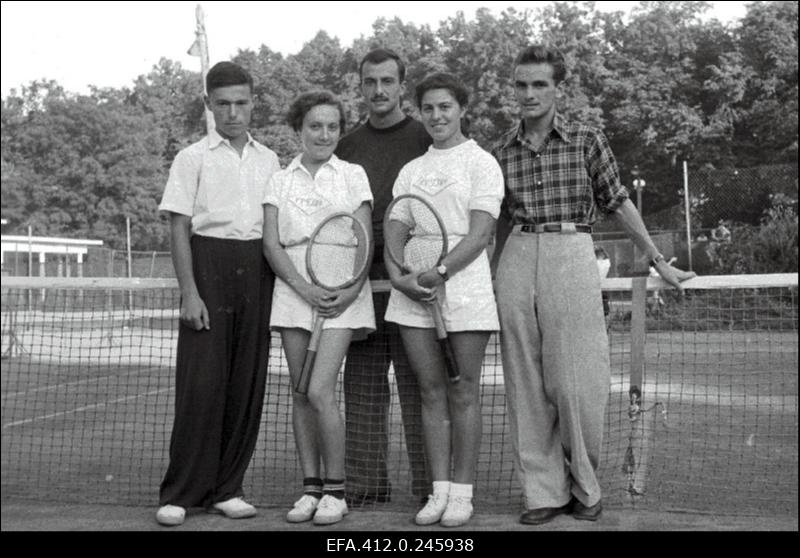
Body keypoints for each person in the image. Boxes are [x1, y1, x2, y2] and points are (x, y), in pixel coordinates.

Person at [491, 45, 696, 526]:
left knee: (578, 382)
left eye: (539, 84)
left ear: (558, 88)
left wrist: (658, 259)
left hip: (571, 253)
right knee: (525, 382)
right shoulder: (499, 150)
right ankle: (543, 493)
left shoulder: (586, 139)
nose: (529, 94)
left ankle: (586, 487)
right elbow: (495, 223)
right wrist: (492, 277)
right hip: (516, 258)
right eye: (521, 84)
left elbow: (619, 201)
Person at [155, 61, 280, 527]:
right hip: (208, 268)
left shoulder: (270, 160)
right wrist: (190, 292)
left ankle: (228, 488)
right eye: (223, 103)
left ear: (252, 103)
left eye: (241, 103)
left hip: (258, 272)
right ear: (209, 105)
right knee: (200, 387)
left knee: (247, 385)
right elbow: (179, 226)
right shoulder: (191, 158)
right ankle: (181, 493)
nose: (233, 112)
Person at [384, 72, 504, 527]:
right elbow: (396, 227)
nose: (437, 116)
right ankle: (437, 492)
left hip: (466, 291)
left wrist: (440, 271)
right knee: (430, 392)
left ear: (462, 109)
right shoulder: (411, 171)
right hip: (414, 293)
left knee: (463, 390)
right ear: (421, 112)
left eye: (445, 107)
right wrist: (400, 276)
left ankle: (462, 494)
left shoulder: (482, 163)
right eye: (429, 108)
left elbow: (480, 233)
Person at [262, 90, 375, 526]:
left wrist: (348, 289)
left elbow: (364, 238)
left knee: (319, 390)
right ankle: (310, 488)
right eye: (314, 125)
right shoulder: (280, 179)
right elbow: (272, 243)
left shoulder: (352, 175)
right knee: (300, 392)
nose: (323, 134)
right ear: (298, 129)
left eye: (332, 126)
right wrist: (302, 288)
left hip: (344, 290)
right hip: (294, 292)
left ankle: (336, 492)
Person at [335, 48, 432, 506]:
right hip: (363, 285)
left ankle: (430, 487)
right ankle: (365, 484)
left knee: (421, 386)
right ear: (360, 86)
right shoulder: (347, 145)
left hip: (414, 282)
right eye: (370, 81)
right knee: (363, 388)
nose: (378, 90)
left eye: (387, 81)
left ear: (401, 85)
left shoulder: (425, 137)